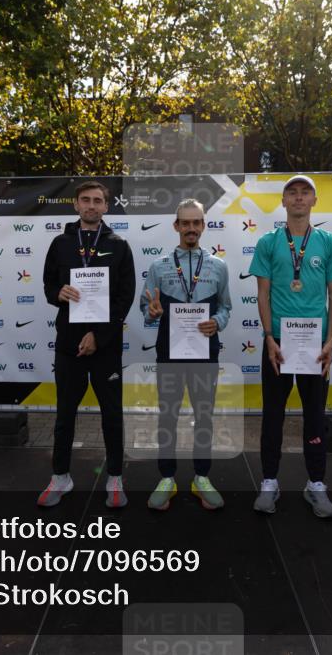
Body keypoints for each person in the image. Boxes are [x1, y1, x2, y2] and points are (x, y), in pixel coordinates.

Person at [247, 175, 332, 517]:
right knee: (273, 415)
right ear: (284, 201)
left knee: (315, 416)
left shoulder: (329, 242)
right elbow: (262, 293)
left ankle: (316, 484)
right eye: (293, 193)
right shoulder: (268, 241)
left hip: (315, 345)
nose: (299, 198)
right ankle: (269, 481)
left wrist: (331, 341)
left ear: (314, 201)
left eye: (305, 193)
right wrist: (268, 337)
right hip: (278, 344)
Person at [39, 181, 136, 508]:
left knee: (112, 414)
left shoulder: (119, 245)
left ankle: (115, 477)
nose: (92, 206)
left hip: (105, 345)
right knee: (65, 414)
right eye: (86, 200)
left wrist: (99, 335)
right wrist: (58, 293)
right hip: (68, 345)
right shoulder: (60, 243)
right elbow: (48, 283)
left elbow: (125, 298)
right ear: (77, 205)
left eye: (98, 201)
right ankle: (60, 476)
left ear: (107, 206)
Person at [140, 199, 231, 511]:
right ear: (176, 226)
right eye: (185, 223)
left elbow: (226, 307)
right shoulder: (158, 267)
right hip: (169, 353)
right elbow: (145, 310)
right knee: (168, 415)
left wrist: (217, 321)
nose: (191, 228)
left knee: (204, 416)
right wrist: (151, 313)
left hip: (206, 352)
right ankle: (167, 477)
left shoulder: (219, 266)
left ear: (203, 226)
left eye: (197, 223)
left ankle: (201, 477)